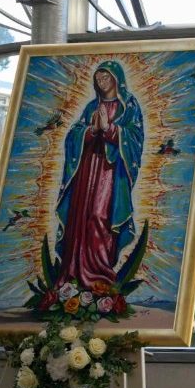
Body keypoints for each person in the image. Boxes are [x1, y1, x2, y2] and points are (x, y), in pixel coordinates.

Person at [55, 60, 144, 290]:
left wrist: (110, 129)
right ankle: (75, 273)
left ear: (116, 79)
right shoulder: (91, 107)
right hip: (87, 171)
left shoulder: (128, 106)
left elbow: (135, 138)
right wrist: (91, 130)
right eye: (98, 79)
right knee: (81, 217)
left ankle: (100, 275)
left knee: (99, 216)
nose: (102, 82)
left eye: (105, 77)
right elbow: (73, 135)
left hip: (110, 173)